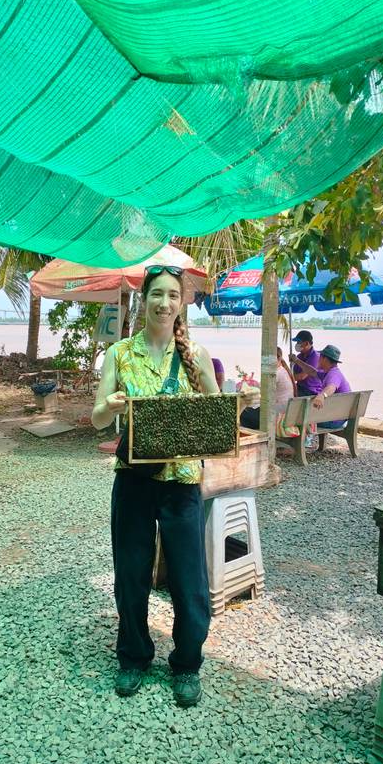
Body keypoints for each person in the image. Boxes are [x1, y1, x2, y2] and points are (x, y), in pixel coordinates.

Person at [92, 265, 256, 707]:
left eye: (172, 295)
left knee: (189, 579)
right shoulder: (119, 354)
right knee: (131, 574)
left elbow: (218, 419)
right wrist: (110, 406)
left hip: (182, 482)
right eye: (156, 294)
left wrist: (240, 402)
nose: (164, 303)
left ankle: (186, 664)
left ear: (182, 304)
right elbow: (97, 419)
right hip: (134, 479)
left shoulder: (196, 355)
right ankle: (134, 656)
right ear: (143, 299)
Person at [294, 344, 351, 429]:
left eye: (320, 357)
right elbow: (312, 372)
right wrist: (297, 360)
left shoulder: (333, 374)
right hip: (338, 415)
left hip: (334, 420)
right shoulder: (328, 372)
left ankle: (304, 437)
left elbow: (331, 387)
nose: (318, 359)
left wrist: (322, 395)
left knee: (298, 417)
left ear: (325, 359)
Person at [240, 347, 295, 430]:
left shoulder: (276, 373)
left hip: (276, 415)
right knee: (249, 411)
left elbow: (263, 392)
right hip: (284, 410)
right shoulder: (283, 370)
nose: (267, 362)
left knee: (243, 413)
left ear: (278, 358)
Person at [289, 330, 322, 397]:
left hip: (311, 391)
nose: (297, 344)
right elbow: (294, 374)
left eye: (299, 342)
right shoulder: (299, 356)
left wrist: (287, 378)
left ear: (306, 343)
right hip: (300, 387)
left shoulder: (315, 357)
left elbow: (302, 376)